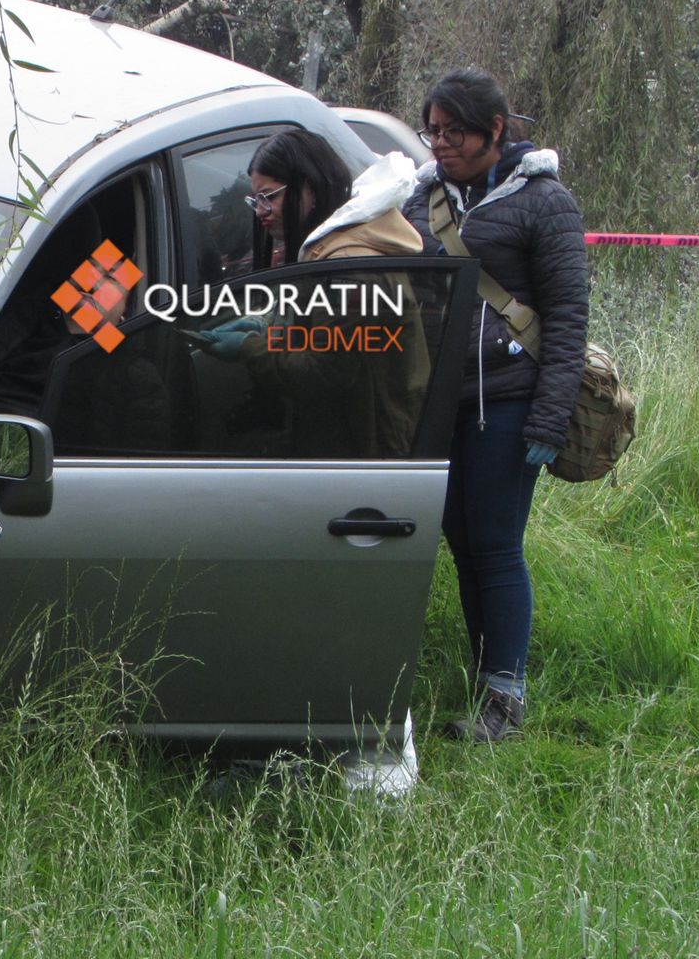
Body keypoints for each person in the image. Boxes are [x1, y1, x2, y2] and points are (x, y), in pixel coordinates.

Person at [401, 69, 587, 743]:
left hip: (510, 402)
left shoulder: (544, 202)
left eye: (455, 131)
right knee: (460, 540)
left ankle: (506, 698)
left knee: (497, 546)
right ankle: (486, 676)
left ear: (495, 131)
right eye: (434, 130)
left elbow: (567, 317)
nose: (441, 142)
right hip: (441, 402)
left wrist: (548, 418)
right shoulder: (424, 199)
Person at [198, 129, 429, 459]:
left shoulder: (347, 268)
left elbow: (324, 372)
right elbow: (321, 336)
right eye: (255, 199)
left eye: (270, 197)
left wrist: (250, 348)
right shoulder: (328, 252)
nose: (260, 210)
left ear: (311, 188)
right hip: (346, 441)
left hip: (364, 450)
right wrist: (268, 332)